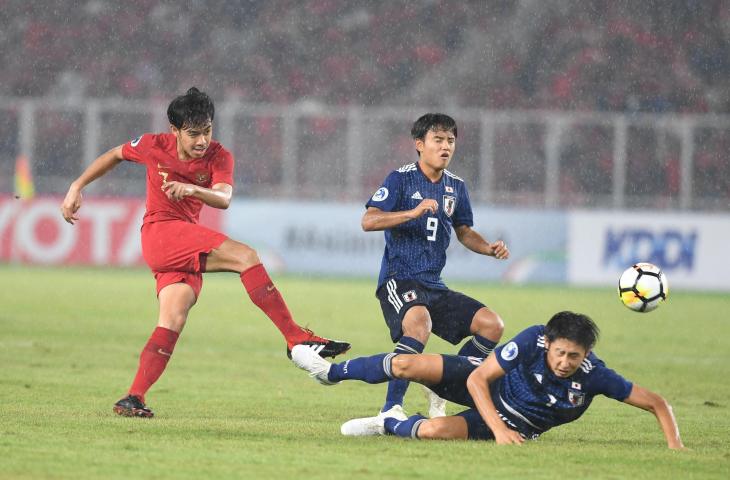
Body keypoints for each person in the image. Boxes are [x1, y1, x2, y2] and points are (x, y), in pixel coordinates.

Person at [60, 87, 350, 418]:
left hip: (182, 245)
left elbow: (223, 197)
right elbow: (114, 154)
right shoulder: (154, 145)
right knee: (246, 257)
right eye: (194, 133)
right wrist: (76, 186)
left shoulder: (219, 156)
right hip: (162, 233)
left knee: (173, 318)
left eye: (207, 131)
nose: (202, 140)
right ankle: (295, 337)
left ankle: (133, 397)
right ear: (175, 131)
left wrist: (192, 188)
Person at [291, 311, 684, 449]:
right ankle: (331, 372)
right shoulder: (533, 338)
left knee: (430, 433)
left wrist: (675, 447)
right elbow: (479, 378)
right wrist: (497, 431)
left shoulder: (595, 376)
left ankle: (388, 422)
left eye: (574, 356)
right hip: (485, 386)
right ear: (549, 344)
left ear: (586, 356)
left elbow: (656, 402)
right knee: (408, 364)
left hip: (514, 422)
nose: (565, 363)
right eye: (560, 353)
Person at [349, 113, 509, 434]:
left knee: (492, 325)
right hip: (399, 278)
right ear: (420, 145)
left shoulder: (456, 187)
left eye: (450, 140)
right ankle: (390, 408)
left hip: (434, 285)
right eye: (438, 140)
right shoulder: (400, 179)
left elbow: (464, 231)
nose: (445, 146)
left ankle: (443, 383)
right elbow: (368, 221)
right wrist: (412, 211)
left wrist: (488, 248)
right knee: (419, 325)